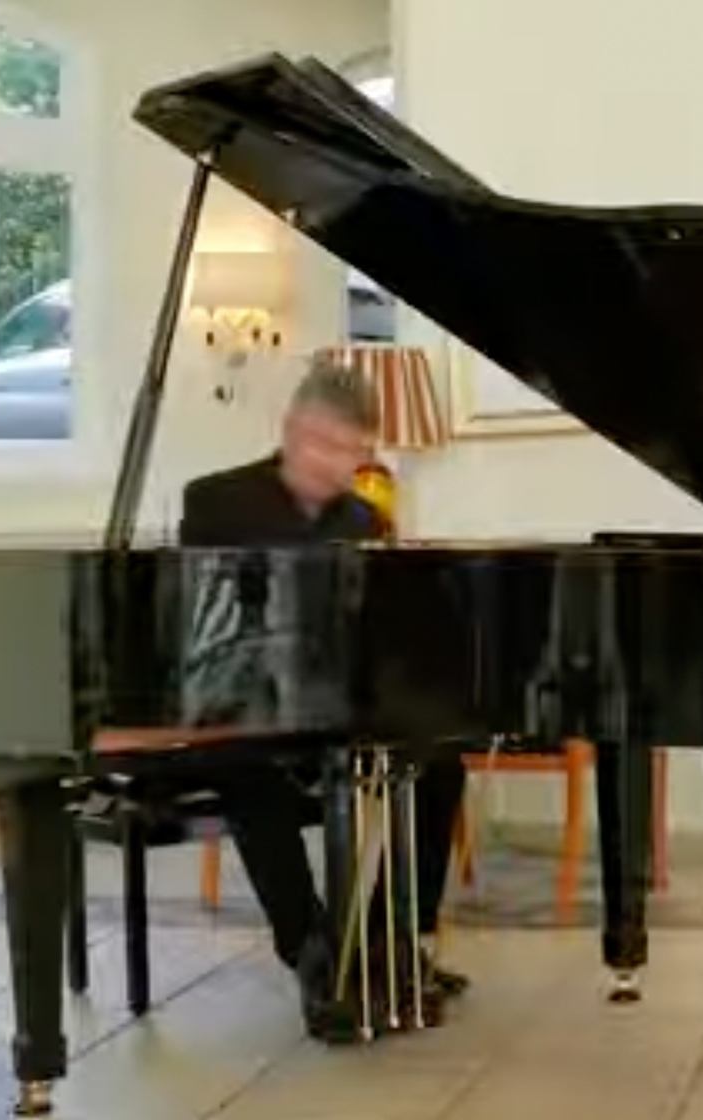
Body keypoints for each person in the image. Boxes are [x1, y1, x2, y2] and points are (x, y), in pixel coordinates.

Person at [179, 354, 469, 1036]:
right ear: (292, 429)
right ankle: (312, 950)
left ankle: (392, 942)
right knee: (247, 770)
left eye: (353, 452)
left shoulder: (365, 521)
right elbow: (200, 622)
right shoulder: (216, 500)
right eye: (325, 445)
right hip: (243, 705)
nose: (335, 464)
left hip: (335, 706)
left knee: (438, 760)